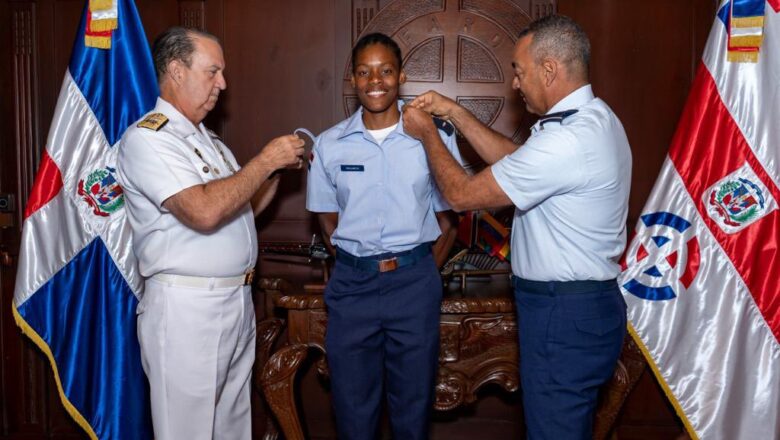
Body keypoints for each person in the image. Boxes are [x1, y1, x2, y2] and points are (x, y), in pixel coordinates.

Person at [402, 15, 631, 440]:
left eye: (520, 72)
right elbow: (516, 162)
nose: (515, 83)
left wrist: (427, 135)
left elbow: (463, 196)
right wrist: (455, 112)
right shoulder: (595, 119)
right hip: (583, 308)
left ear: (549, 71)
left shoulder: (568, 140)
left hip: (562, 314)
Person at [116, 27, 304, 440]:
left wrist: (270, 172)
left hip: (235, 300)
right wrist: (262, 160)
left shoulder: (210, 141)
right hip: (188, 308)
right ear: (176, 71)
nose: (223, 83)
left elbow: (241, 210)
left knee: (232, 428)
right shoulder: (148, 139)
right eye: (213, 71)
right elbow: (202, 211)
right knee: (188, 431)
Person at [306, 32, 461, 440]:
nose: (375, 80)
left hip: (413, 284)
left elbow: (453, 215)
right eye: (364, 71)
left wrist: (427, 270)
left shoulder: (433, 137)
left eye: (386, 70)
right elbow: (326, 219)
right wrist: (358, 263)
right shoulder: (329, 145)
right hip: (352, 287)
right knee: (353, 412)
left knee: (412, 411)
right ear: (353, 80)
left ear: (401, 77)